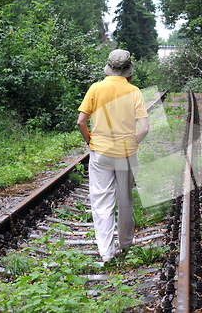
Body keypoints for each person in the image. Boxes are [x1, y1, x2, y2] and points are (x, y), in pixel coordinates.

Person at [77, 49, 149, 263]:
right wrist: (133, 144)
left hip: (101, 152)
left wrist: (90, 141)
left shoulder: (96, 88)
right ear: (128, 69)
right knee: (125, 200)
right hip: (126, 153)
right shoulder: (134, 91)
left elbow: (81, 121)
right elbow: (144, 128)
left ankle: (107, 254)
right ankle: (126, 244)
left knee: (102, 201)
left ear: (109, 68)